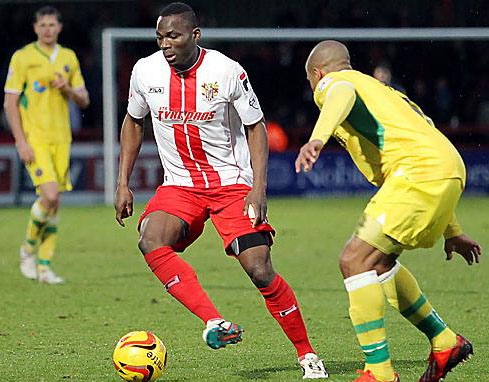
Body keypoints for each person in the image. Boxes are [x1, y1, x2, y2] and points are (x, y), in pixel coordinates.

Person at [114, 2, 327, 379]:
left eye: (174, 36)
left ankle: (307, 355)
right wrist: (122, 183)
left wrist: (258, 188)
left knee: (259, 270)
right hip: (181, 185)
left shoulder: (226, 71)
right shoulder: (145, 71)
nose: (165, 44)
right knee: (150, 239)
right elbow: (134, 121)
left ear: (195, 36)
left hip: (231, 184)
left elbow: (256, 126)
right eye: (160, 36)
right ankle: (214, 321)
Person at [295, 40, 481, 382]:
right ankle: (445, 340)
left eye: (312, 82)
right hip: (446, 168)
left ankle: (379, 372)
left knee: (354, 260)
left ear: (317, 72)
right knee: (379, 263)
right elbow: (426, 138)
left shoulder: (334, 83)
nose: (315, 89)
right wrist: (452, 231)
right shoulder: (386, 92)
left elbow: (339, 93)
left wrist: (317, 138)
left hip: (418, 172)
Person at [4, 6, 90, 284]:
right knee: (50, 196)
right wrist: (20, 141)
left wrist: (67, 89)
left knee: (55, 203)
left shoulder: (68, 57)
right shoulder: (23, 57)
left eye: (52, 24)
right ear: (35, 28)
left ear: (59, 28)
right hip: (36, 138)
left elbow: (84, 100)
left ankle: (44, 266)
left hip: (61, 138)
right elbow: (10, 102)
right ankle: (28, 249)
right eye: (43, 25)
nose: (48, 29)